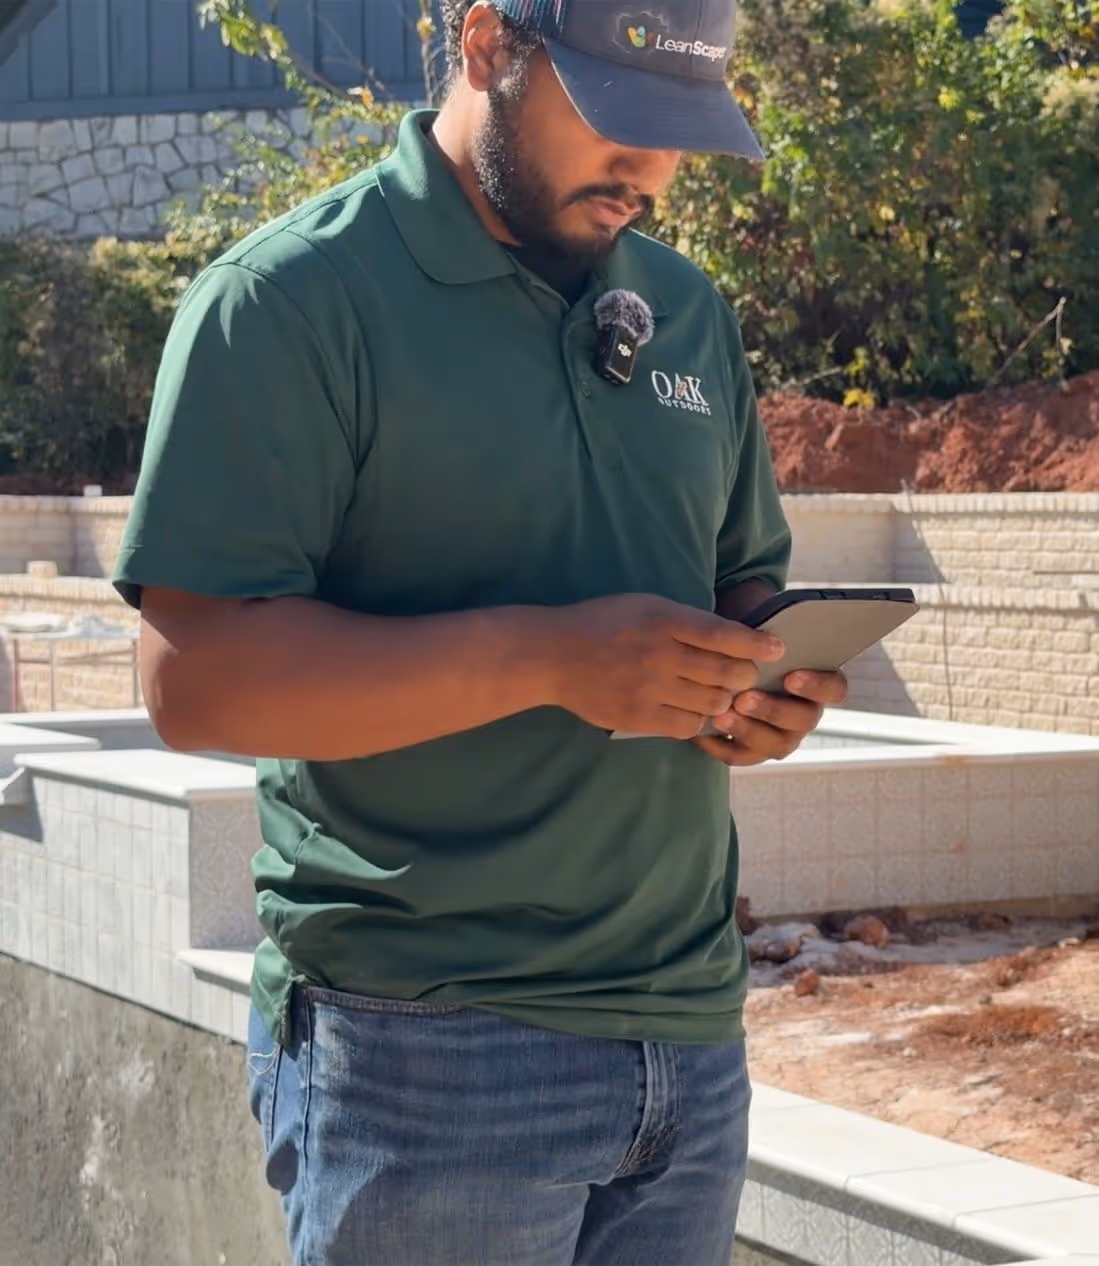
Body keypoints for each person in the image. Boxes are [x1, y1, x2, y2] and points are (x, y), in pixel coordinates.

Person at [113, 1, 847, 1262]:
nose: (652, 174)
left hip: (688, 1037)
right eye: (619, 120)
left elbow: (738, 593)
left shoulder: (686, 313)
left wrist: (756, 696)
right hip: (423, 1045)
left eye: (679, 135)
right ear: (487, 45)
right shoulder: (290, 300)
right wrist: (555, 661)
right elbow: (194, 681)